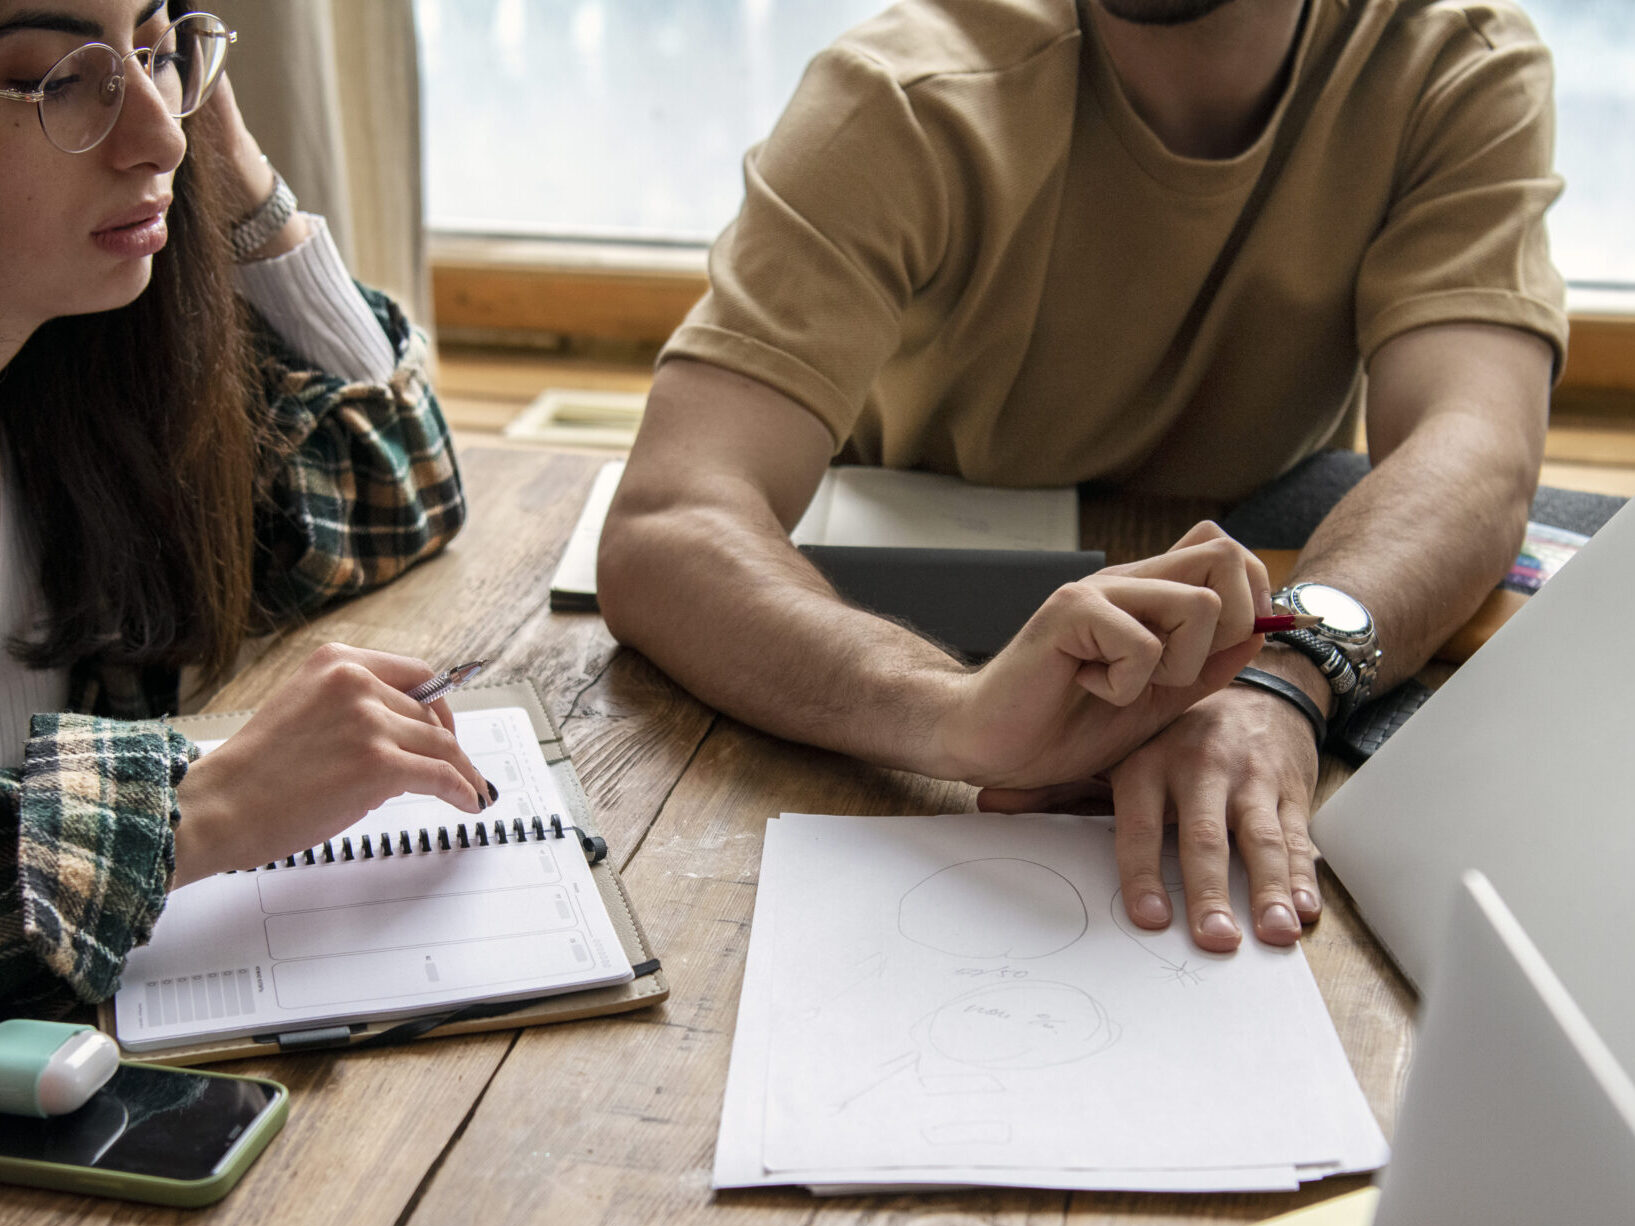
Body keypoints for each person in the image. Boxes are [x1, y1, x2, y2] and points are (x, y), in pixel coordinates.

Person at [599, 0, 1563, 954]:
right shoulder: (900, 96)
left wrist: (1280, 678)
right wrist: (950, 713)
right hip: (898, 626)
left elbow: (1474, 448)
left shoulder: (1448, 56)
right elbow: (671, 520)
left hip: (1265, 592)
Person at [0, 1, 481, 1031]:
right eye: (54, 78)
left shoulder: (56, 400)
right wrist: (201, 811)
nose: (160, 134)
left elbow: (390, 483)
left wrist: (238, 178)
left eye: (156, 51)